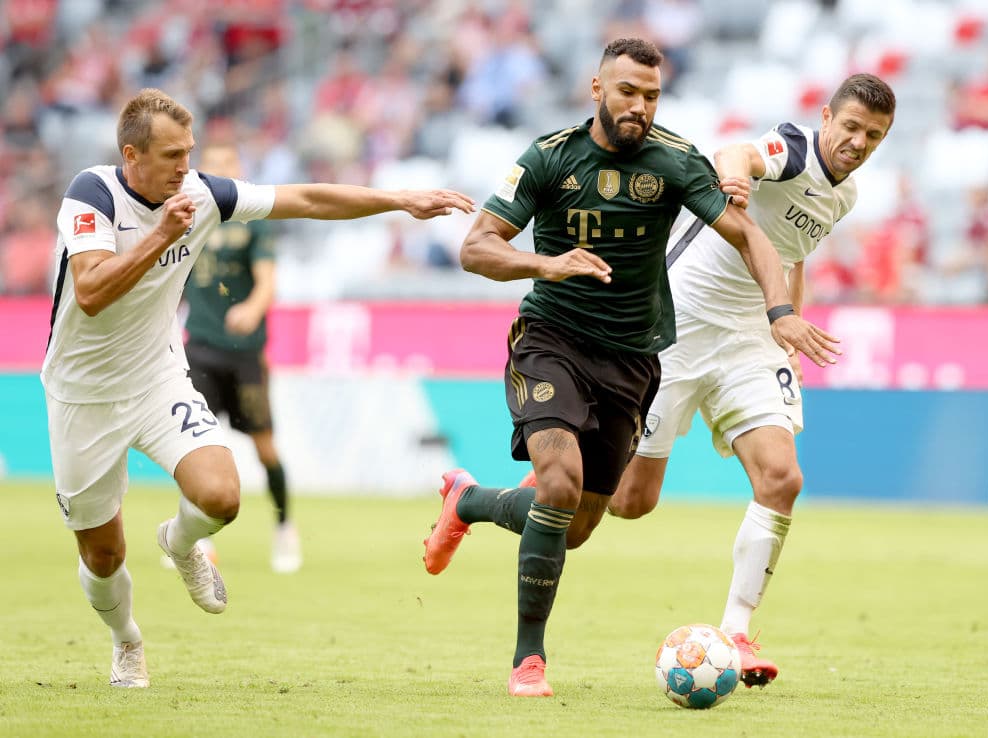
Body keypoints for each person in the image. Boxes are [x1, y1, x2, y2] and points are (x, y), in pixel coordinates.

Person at [421, 38, 839, 698]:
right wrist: (546, 263)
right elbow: (478, 247)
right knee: (557, 484)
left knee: (586, 521)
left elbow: (750, 233)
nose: (639, 106)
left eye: (651, 96)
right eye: (627, 92)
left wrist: (781, 310)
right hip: (551, 341)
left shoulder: (674, 161)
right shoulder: (549, 157)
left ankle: (467, 500)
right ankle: (529, 659)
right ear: (596, 89)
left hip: (633, 361)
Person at [42, 88, 474, 689]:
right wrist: (160, 236)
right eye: (171, 156)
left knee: (221, 496)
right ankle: (127, 641)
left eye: (189, 154)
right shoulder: (91, 195)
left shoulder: (200, 195)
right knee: (103, 555)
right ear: (131, 154)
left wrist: (398, 199)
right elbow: (89, 293)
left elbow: (305, 198)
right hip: (81, 396)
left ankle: (180, 540)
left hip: (155, 377)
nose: (185, 168)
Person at [609, 73, 896, 687]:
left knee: (782, 478)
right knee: (628, 502)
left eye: (873, 135)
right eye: (850, 127)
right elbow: (737, 153)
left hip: (751, 339)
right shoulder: (791, 149)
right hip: (677, 328)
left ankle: (736, 633)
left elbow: (790, 255)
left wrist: (788, 326)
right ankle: (490, 497)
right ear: (825, 118)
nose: (857, 142)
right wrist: (735, 174)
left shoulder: (845, 197)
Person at [181, 142, 300, 574]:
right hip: (200, 347)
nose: (220, 171)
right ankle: (197, 542)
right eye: (213, 164)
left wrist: (251, 308)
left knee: (264, 445)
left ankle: (285, 525)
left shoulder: (254, 221)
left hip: (246, 353)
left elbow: (268, 281)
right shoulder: (185, 217)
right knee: (196, 445)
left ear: (239, 171)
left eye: (228, 163)